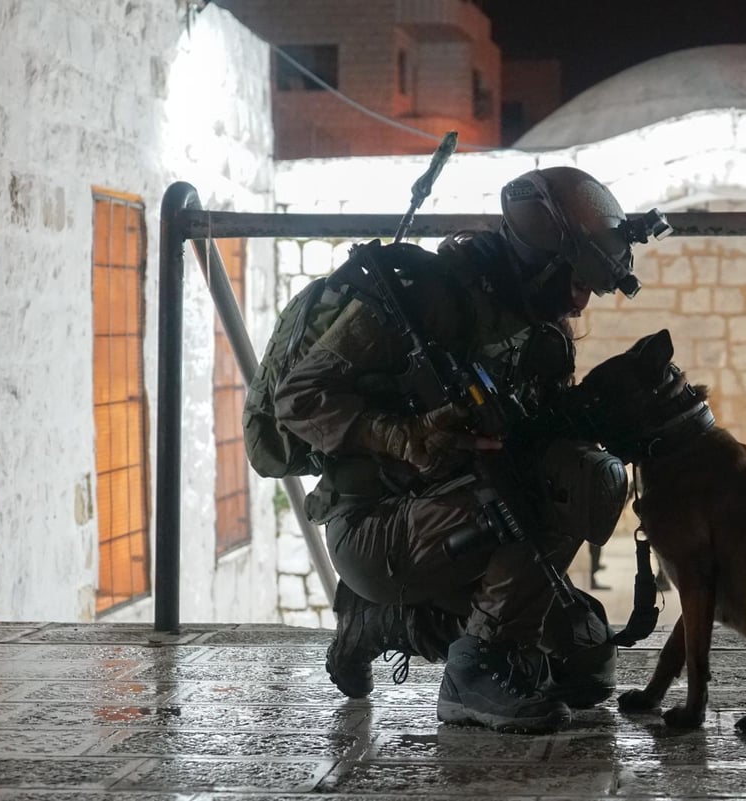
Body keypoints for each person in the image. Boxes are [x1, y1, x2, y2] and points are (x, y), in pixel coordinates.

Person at [273, 166, 660, 733]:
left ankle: (386, 623)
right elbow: (298, 399)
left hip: (464, 514)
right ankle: (474, 671)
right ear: (542, 259)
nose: (581, 302)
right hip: (377, 522)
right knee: (572, 483)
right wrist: (407, 435)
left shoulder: (540, 329)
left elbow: (546, 438)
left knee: (586, 660)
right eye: (576, 282)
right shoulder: (425, 298)